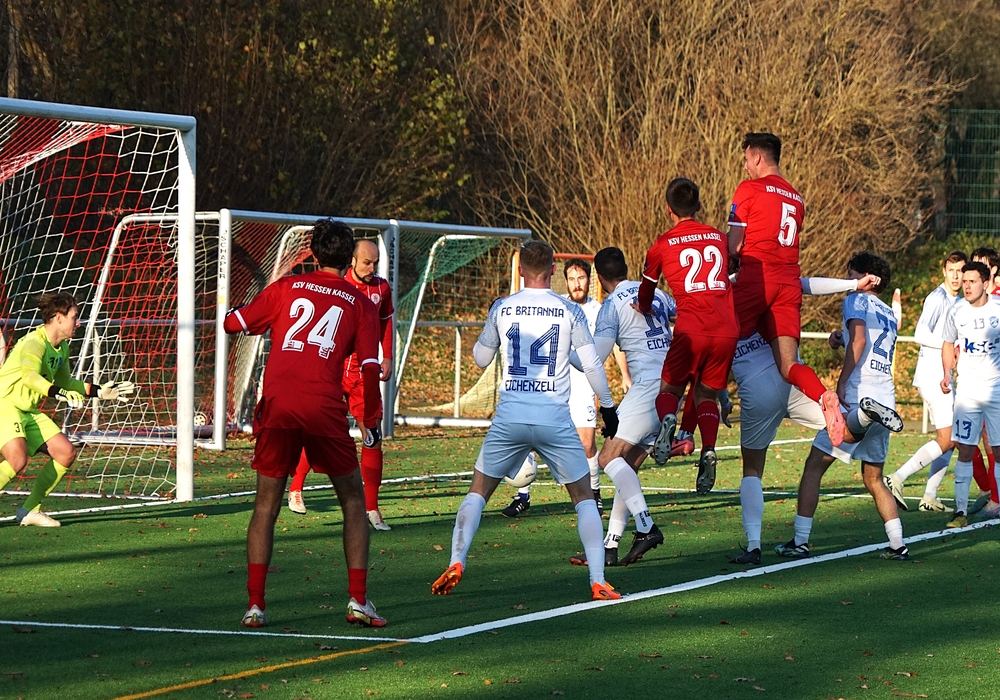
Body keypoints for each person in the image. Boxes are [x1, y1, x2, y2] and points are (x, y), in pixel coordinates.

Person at [431, 240, 621, 601]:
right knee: (584, 497)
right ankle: (598, 581)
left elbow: (480, 358)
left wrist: (492, 325)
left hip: (511, 418)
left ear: (520, 271)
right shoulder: (570, 310)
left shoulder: (503, 307)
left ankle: (457, 560)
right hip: (554, 419)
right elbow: (592, 364)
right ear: (553, 270)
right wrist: (608, 408)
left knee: (478, 492)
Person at [224, 219, 386, 628]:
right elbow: (370, 366)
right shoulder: (361, 303)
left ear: (311, 253)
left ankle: (255, 606)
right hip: (322, 408)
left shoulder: (286, 287)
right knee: (353, 501)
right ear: (349, 258)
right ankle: (358, 600)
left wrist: (232, 310)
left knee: (266, 506)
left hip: (278, 406)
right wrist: (371, 418)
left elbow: (234, 324)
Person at [728, 273, 884, 565]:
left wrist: (721, 398)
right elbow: (806, 284)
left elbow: (708, 353)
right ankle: (863, 415)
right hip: (796, 383)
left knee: (752, 469)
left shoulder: (717, 291)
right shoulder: (766, 277)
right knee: (845, 430)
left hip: (756, 387)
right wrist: (853, 284)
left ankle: (753, 546)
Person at [774, 253, 907, 560]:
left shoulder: (855, 299)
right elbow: (867, 341)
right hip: (886, 395)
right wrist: (840, 337)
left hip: (861, 393)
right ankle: (898, 544)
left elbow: (860, 341)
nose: (848, 281)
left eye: (851, 275)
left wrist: (843, 380)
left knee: (814, 466)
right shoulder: (888, 311)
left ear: (867, 277)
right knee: (873, 479)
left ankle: (800, 541)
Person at [726, 132, 847, 447]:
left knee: (717, 336)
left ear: (757, 157)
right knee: (789, 365)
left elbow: (734, 246)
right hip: (789, 283)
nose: (745, 167)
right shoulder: (796, 198)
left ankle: (694, 423)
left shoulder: (749, 189)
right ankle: (823, 396)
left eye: (746, 160)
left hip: (757, 278)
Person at [567, 246, 676, 567]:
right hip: (672, 386)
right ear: (627, 269)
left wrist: (563, 353)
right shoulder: (658, 293)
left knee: (607, 458)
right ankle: (611, 545)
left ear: (599, 278)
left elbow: (593, 360)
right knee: (626, 466)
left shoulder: (611, 305)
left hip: (647, 387)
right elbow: (683, 314)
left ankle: (646, 526)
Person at [639, 177, 738, 496]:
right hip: (727, 329)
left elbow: (646, 293)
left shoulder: (662, 244)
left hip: (691, 327)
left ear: (668, 209)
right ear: (698, 206)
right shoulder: (718, 238)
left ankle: (669, 419)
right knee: (706, 396)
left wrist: (644, 308)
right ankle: (708, 448)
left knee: (669, 388)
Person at [287, 238, 395, 530]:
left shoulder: (382, 289)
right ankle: (296, 487)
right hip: (332, 370)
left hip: (364, 373)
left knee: (372, 435)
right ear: (352, 261)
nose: (371, 268)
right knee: (320, 432)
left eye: (375, 263)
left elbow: (386, 322)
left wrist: (387, 356)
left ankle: (372, 509)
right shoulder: (336, 286)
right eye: (366, 263)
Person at [0, 293, 134, 527]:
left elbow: (67, 383)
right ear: (58, 317)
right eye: (75, 316)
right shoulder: (34, 343)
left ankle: (29, 510)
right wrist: (58, 393)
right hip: (4, 403)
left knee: (65, 452)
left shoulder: (61, 348)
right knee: (17, 458)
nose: (78, 322)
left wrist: (100, 392)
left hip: (25, 410)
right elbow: (30, 377)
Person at [501, 258, 605, 517]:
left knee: (587, 444)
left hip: (583, 386)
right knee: (530, 438)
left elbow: (610, 347)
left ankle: (594, 494)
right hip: (553, 383)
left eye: (581, 278)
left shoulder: (599, 311)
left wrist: (622, 376)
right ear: (565, 281)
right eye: (572, 279)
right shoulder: (556, 306)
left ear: (590, 280)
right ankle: (522, 495)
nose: (576, 284)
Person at [883, 252, 966, 513]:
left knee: (952, 438)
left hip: (942, 375)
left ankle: (929, 496)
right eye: (951, 270)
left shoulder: (958, 300)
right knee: (948, 436)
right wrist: (948, 345)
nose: (955, 276)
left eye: (960, 270)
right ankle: (897, 478)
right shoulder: (938, 298)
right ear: (944, 272)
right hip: (933, 375)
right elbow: (920, 333)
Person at [938, 261, 1000, 528]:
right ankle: (960, 511)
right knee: (965, 448)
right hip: (968, 391)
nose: (966, 286)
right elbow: (947, 343)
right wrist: (946, 373)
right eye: (965, 282)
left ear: (985, 284)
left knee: (998, 450)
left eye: (972, 281)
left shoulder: (998, 308)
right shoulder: (956, 310)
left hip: (996, 389)